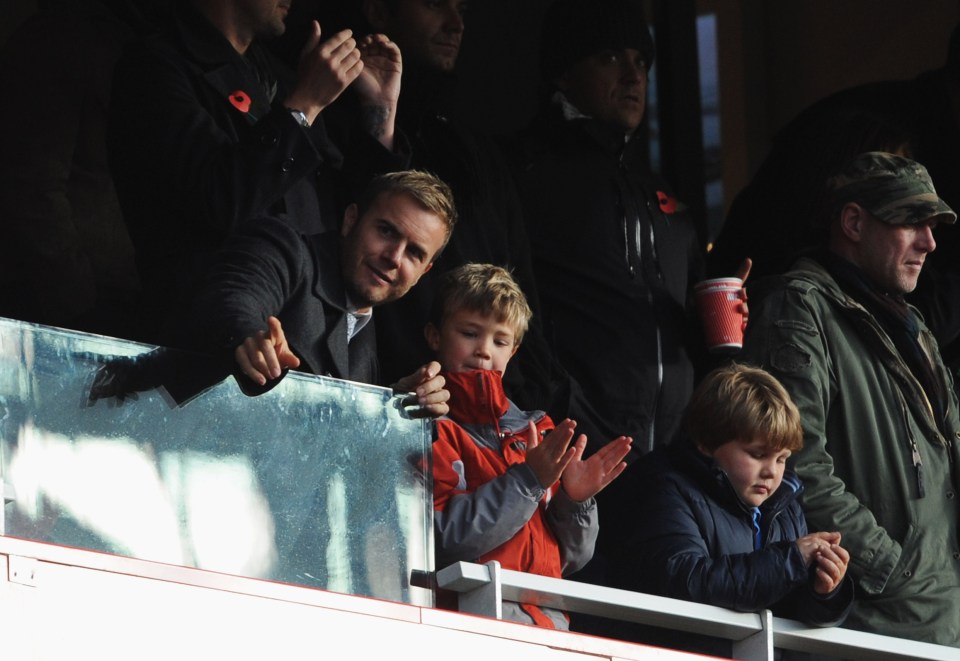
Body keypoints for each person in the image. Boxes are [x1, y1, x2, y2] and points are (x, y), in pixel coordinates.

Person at [511, 0, 747, 596]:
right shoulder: (524, 171)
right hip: (575, 456)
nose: (633, 74)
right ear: (563, 72)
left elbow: (691, 321)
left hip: (670, 465)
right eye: (610, 56)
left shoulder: (662, 194)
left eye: (641, 60)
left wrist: (724, 336)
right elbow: (510, 308)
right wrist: (567, 409)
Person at [739, 151, 960, 646]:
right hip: (873, 626)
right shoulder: (800, 307)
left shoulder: (909, 323)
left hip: (936, 619)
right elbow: (792, 461)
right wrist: (887, 567)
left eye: (932, 225)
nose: (930, 242)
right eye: (911, 221)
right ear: (854, 222)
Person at [107, 0, 405, 341]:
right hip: (209, 335)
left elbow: (343, 216)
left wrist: (379, 109)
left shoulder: (278, 76)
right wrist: (305, 105)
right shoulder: (156, 64)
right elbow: (219, 199)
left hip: (302, 335)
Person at [427, 263, 632, 629]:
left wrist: (575, 502)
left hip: (550, 627)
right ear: (435, 336)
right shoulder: (430, 427)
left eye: (500, 341)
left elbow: (573, 558)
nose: (484, 351)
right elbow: (444, 539)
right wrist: (527, 481)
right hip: (468, 626)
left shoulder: (538, 429)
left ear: (514, 351)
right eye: (470, 333)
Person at [187, 169, 456, 415]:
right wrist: (249, 335)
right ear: (351, 220)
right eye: (386, 231)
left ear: (424, 272)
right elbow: (236, 296)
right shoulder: (286, 249)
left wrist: (394, 405)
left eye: (414, 253)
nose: (394, 258)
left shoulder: (366, 334)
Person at [626, 364, 852, 654]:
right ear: (708, 443)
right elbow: (683, 580)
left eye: (782, 459)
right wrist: (790, 562)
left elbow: (788, 607)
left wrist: (823, 592)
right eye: (758, 455)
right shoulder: (665, 486)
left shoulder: (787, 507)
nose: (772, 472)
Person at [0, 0, 169, 339]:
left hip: (125, 300)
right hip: (70, 309)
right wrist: (79, 303)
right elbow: (32, 183)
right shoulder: (62, 37)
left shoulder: (142, 42)